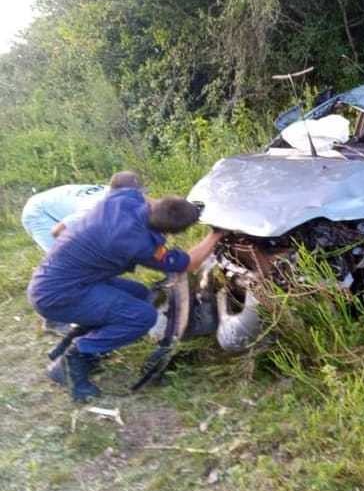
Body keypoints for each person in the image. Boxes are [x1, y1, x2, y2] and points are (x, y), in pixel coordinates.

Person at [27, 180, 223, 402]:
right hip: (57, 296)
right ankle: (72, 362)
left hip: (58, 281)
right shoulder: (140, 244)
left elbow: (126, 180)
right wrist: (216, 235)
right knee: (141, 316)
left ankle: (70, 344)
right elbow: (188, 263)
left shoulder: (124, 198)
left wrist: (176, 207)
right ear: (170, 232)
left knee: (138, 294)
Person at [21, 171, 144, 252]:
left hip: (59, 198)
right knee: (63, 260)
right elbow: (58, 231)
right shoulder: (94, 209)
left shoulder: (127, 195)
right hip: (39, 211)